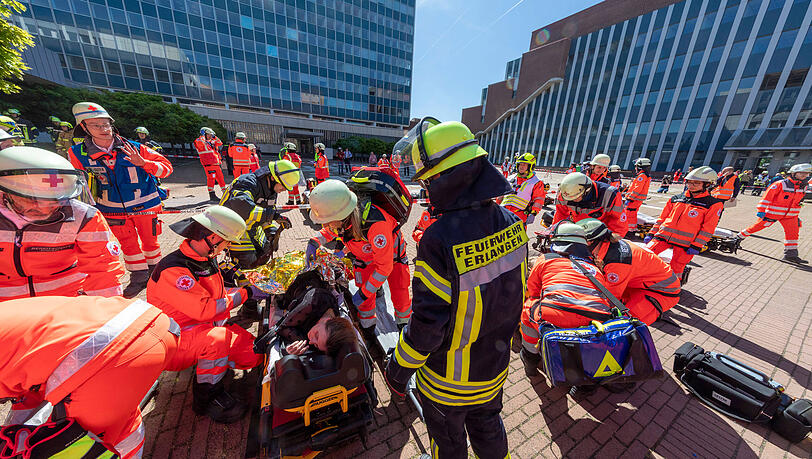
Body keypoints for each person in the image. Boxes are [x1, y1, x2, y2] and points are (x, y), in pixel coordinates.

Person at [384, 118, 526, 458]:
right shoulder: (513, 224)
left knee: (448, 444)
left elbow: (427, 327)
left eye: (429, 180)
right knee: (489, 431)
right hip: (493, 371)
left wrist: (398, 370)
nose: (427, 189)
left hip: (447, 383)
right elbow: (515, 297)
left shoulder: (438, 239)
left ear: (447, 178)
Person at [0, 295, 179, 459]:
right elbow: (28, 387)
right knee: (118, 422)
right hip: (152, 324)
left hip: (112, 355)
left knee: (68, 444)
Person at [147, 206, 267, 423]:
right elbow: (205, 309)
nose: (227, 247)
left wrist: (249, 287)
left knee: (253, 355)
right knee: (217, 341)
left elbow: (217, 295)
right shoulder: (175, 270)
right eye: (227, 242)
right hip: (174, 342)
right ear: (213, 238)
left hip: (202, 329)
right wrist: (247, 293)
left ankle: (209, 362)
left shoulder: (202, 258)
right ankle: (207, 397)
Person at [68, 102, 173, 298]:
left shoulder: (135, 148)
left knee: (151, 243)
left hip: (146, 206)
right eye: (96, 125)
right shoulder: (76, 154)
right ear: (84, 127)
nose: (104, 129)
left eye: (106, 124)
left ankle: (156, 273)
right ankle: (139, 276)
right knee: (128, 245)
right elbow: (79, 185)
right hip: (111, 210)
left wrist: (144, 163)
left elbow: (167, 168)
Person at [0, 145, 124, 300]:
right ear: (6, 192)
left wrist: (106, 309)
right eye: (32, 200)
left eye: (55, 201)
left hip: (65, 302)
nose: (44, 209)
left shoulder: (85, 217)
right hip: (7, 306)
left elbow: (103, 271)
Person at [306, 179, 411, 330]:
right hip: (366, 258)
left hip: (393, 259)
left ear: (341, 216)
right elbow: (330, 231)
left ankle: (404, 325)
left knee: (399, 293)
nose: (325, 225)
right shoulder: (345, 218)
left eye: (328, 221)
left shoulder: (377, 226)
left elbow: (384, 268)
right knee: (365, 301)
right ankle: (368, 327)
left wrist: (364, 293)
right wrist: (315, 241)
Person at [519, 222, 610, 395]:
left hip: (556, 313)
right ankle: (584, 387)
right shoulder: (595, 268)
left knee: (529, 308)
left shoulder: (546, 259)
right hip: (597, 320)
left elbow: (534, 291)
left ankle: (530, 359)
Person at [578, 218, 680, 325]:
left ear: (593, 241)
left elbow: (610, 296)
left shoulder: (618, 260)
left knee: (626, 323)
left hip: (662, 292)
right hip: (640, 284)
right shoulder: (609, 247)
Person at [644, 166, 723, 283]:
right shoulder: (676, 198)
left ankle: (672, 288)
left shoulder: (713, 204)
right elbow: (662, 218)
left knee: (676, 269)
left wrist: (697, 245)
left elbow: (708, 228)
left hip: (686, 244)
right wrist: (652, 233)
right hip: (663, 236)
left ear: (707, 184)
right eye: (689, 182)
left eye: (696, 183)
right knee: (644, 255)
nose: (691, 185)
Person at [219, 160, 300, 269]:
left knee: (265, 250)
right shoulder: (247, 183)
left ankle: (256, 278)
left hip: (251, 227)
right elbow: (242, 207)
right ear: (272, 178)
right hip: (231, 228)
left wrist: (271, 231)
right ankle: (239, 278)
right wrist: (274, 216)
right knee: (247, 259)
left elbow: (266, 213)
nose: (284, 190)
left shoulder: (272, 190)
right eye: (284, 186)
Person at [736, 163, 810, 264]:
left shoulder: (804, 186)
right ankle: (737, 238)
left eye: (807, 173)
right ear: (793, 173)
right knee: (756, 227)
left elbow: (798, 201)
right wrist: (761, 210)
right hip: (773, 213)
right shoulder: (780, 184)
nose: (805, 175)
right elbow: (767, 197)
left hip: (791, 216)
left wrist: (796, 216)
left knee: (793, 235)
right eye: (802, 173)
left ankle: (791, 255)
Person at [273, 275, 359, 357]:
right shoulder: (312, 303)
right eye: (317, 335)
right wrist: (301, 341)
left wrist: (291, 350)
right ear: (327, 320)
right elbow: (281, 327)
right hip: (295, 281)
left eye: (316, 345)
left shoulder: (326, 338)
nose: (311, 341)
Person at [553, 172, 627, 237]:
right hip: (577, 232)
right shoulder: (566, 194)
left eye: (576, 197)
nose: (573, 200)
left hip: (601, 235)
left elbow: (619, 224)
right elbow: (560, 215)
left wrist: (610, 238)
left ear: (587, 190)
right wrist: (554, 232)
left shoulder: (609, 195)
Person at [501, 152, 546, 226]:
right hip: (503, 213)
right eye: (520, 164)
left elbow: (539, 200)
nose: (521, 167)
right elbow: (501, 195)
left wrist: (533, 213)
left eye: (524, 165)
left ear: (530, 166)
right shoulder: (510, 178)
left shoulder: (536, 182)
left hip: (519, 216)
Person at [193, 127, 226, 201]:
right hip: (208, 164)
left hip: (216, 164)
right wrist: (202, 136)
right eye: (209, 135)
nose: (210, 136)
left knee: (221, 178)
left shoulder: (211, 142)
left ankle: (225, 193)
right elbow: (201, 143)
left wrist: (214, 136)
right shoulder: (199, 141)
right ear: (204, 134)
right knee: (211, 178)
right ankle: (212, 195)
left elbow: (220, 143)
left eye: (211, 135)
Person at [624, 157, 652, 235]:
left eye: (636, 166)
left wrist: (630, 198)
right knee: (633, 214)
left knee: (629, 214)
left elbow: (637, 188)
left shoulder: (642, 176)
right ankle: (632, 230)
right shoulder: (645, 175)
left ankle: (629, 231)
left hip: (634, 199)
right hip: (638, 199)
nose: (635, 168)